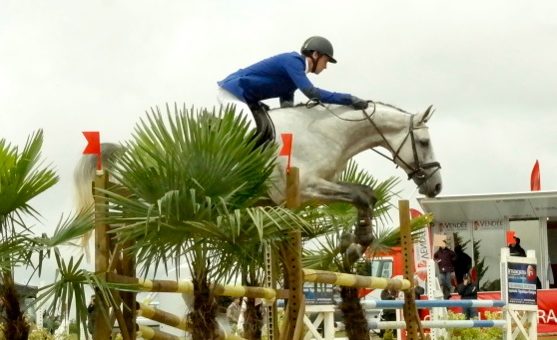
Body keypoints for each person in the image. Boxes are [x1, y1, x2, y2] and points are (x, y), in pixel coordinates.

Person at [217, 36, 369, 147]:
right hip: (233, 92)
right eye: (325, 61)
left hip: (248, 100)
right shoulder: (293, 61)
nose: (325, 66)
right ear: (315, 55)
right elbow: (312, 93)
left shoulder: (295, 74)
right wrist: (349, 99)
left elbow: (287, 104)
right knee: (251, 129)